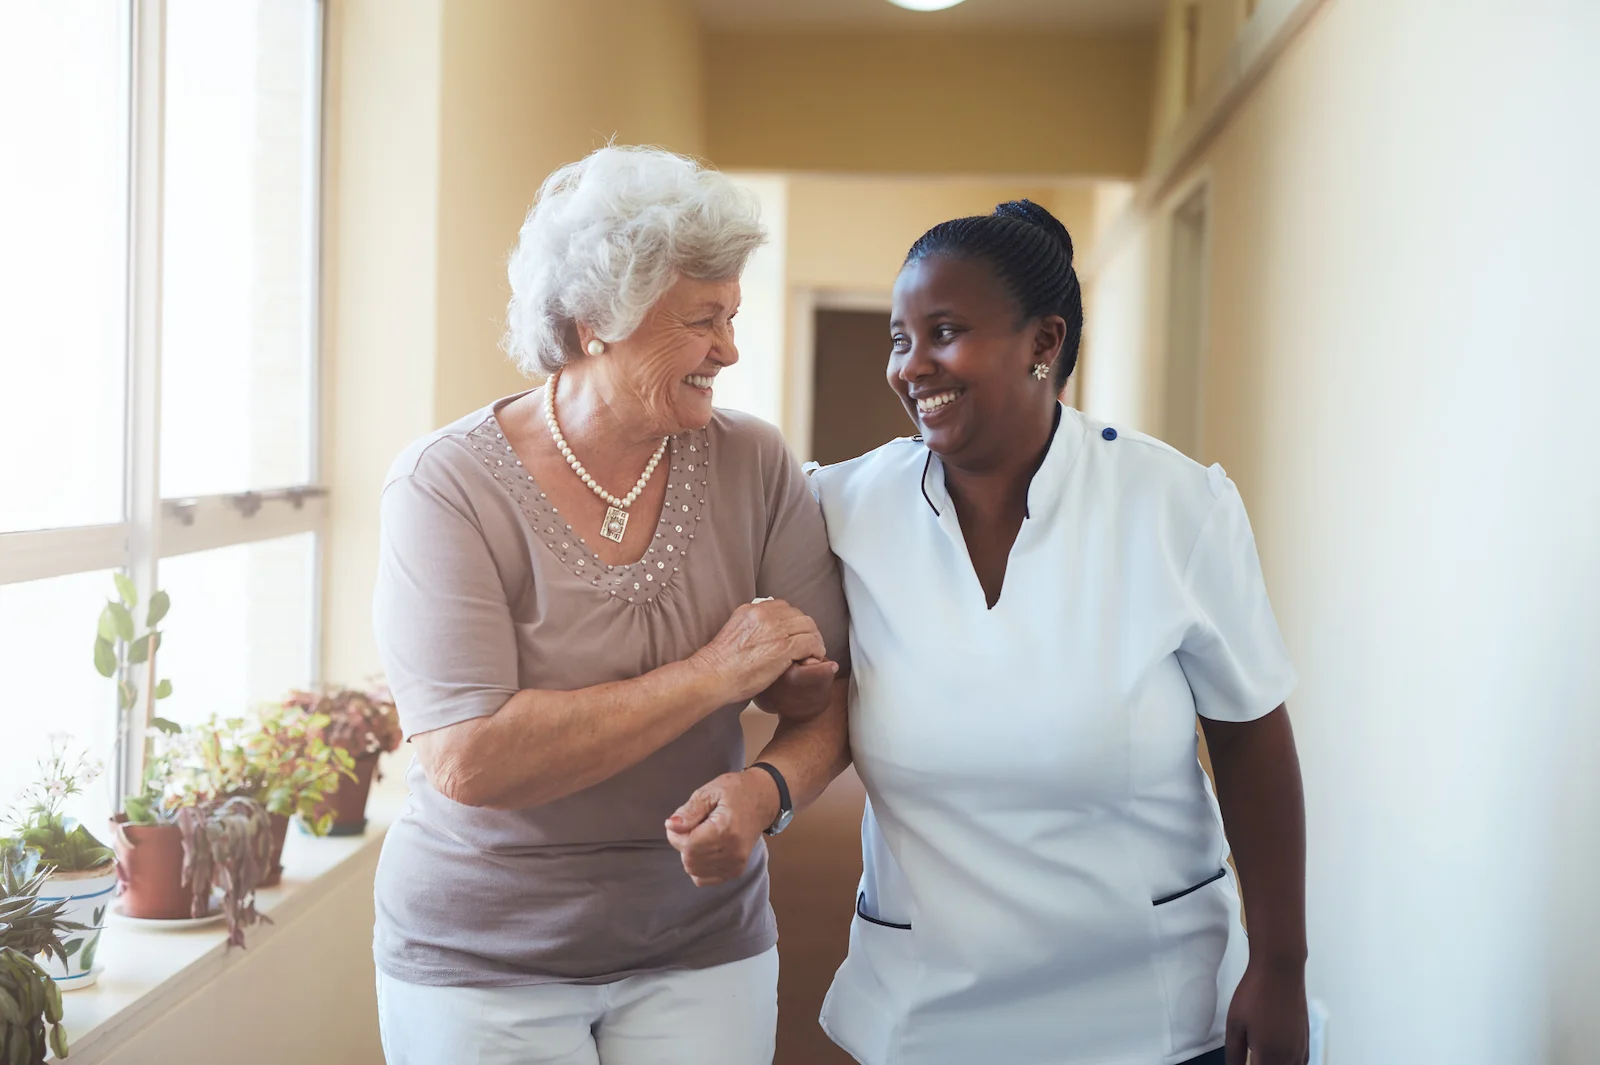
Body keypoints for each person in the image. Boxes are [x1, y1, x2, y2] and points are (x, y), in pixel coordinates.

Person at [675, 200, 1309, 1065]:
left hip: (1149, 1007)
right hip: (930, 1009)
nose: (911, 366)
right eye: (901, 338)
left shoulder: (1174, 507)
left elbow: (1250, 738)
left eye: (944, 331)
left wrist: (1279, 962)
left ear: (1044, 343)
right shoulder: (840, 506)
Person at [369, 146, 850, 1065]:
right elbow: (472, 758)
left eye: (734, 315)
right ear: (596, 321)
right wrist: (714, 675)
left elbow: (825, 699)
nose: (731, 349)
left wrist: (768, 787)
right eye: (702, 319)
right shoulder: (446, 485)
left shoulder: (754, 462)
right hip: (482, 958)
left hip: (703, 940)